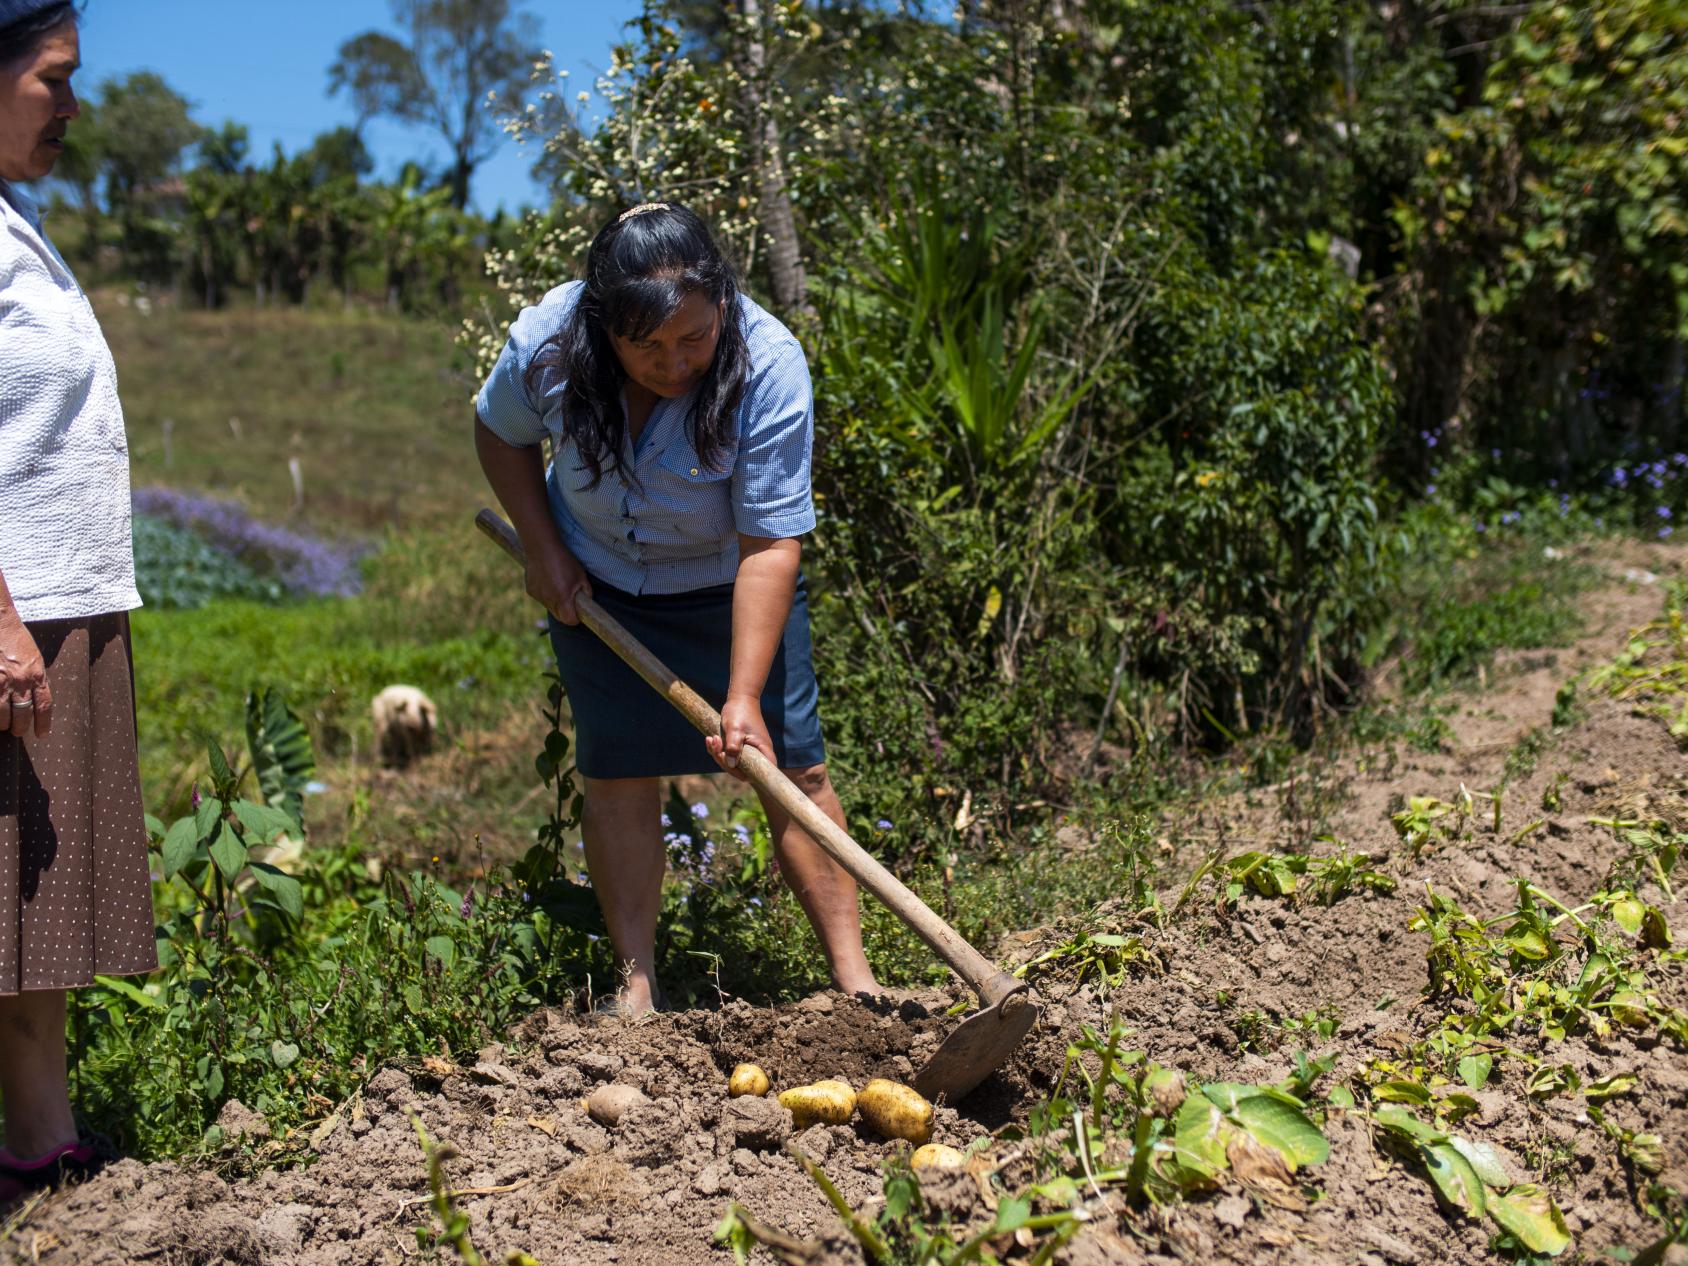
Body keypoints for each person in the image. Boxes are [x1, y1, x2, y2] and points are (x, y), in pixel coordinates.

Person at [475, 202, 879, 1016]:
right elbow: (498, 432)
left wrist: (741, 696)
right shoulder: (548, 343)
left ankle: (856, 978)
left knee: (794, 770)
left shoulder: (769, 365)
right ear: (602, 324)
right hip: (598, 586)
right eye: (646, 346)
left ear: (722, 302)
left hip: (732, 583)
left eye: (693, 339)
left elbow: (770, 544)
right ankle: (635, 985)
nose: (674, 363)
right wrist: (544, 548)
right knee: (619, 773)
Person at [0, 0, 158, 1199]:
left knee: (35, 895)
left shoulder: (18, 223)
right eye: (55, 78)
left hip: (65, 600)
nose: (74, 104)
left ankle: (39, 1136)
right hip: (18, 611)